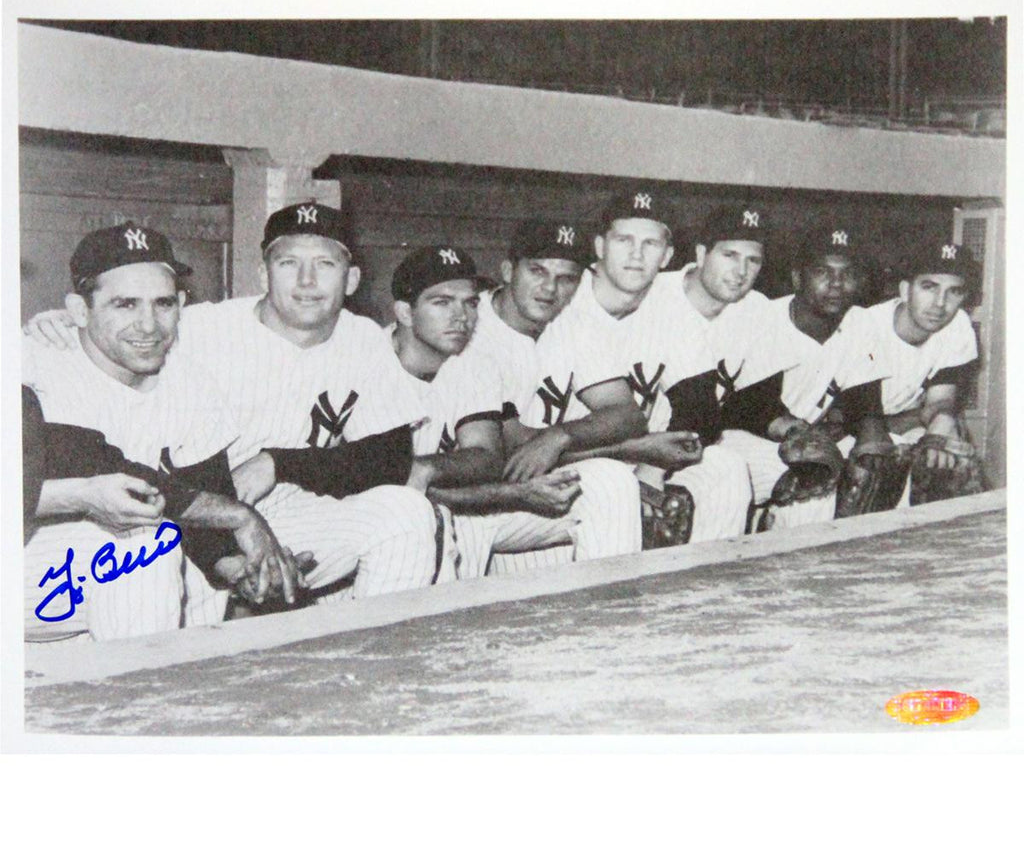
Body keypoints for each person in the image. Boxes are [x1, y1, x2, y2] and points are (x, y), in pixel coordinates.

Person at [25, 203, 441, 601]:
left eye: (325, 264)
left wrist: (274, 468)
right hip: (156, 521)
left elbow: (390, 456)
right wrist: (63, 325)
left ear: (351, 279)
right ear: (263, 273)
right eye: (289, 263)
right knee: (155, 551)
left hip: (245, 509)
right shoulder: (196, 331)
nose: (307, 281)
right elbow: (83, 447)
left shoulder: (363, 339)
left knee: (407, 512)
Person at [23, 223, 300, 641]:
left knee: (184, 567)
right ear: (80, 311)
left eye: (163, 304)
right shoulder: (37, 361)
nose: (148, 325)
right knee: (145, 546)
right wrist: (239, 515)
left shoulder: (188, 379)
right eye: (125, 305)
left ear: (182, 305)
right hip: (25, 561)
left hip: (89, 575)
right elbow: (92, 460)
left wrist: (233, 566)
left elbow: (204, 488)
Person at [382, 238, 643, 578]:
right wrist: (637, 448)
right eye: (441, 302)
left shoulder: (472, 360)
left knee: (612, 482)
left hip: (486, 496)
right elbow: (385, 480)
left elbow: (485, 456)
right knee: (438, 523)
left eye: (468, 303)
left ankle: (612, 615)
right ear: (405, 312)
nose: (460, 317)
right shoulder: (370, 357)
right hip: (401, 511)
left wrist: (556, 442)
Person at [521, 192, 758, 545]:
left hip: (631, 459)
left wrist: (652, 470)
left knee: (725, 466)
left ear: (666, 256)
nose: (636, 254)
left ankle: (705, 589)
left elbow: (701, 410)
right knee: (610, 484)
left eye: (650, 243)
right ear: (600, 246)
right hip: (546, 462)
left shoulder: (671, 310)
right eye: (624, 240)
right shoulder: (560, 297)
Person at [716, 224, 879, 526]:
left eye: (847, 274)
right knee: (811, 483)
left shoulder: (860, 321)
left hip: (806, 437)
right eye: (823, 272)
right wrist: (800, 433)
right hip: (741, 437)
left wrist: (875, 451)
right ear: (797, 278)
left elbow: (866, 402)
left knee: (886, 461)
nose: (836, 284)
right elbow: (749, 406)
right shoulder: (764, 317)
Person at [831, 237, 980, 464]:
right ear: (905, 290)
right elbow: (855, 418)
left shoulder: (957, 325)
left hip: (901, 423)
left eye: (955, 292)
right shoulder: (866, 325)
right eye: (929, 287)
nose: (941, 303)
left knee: (953, 456)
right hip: (840, 427)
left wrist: (943, 418)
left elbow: (941, 399)